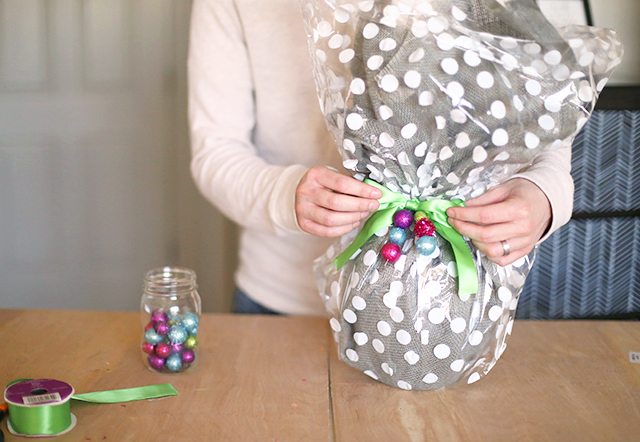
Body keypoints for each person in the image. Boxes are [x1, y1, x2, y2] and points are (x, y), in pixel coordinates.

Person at [188, 0, 574, 315]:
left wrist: (543, 195)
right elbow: (216, 151)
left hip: (464, 300)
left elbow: (550, 123)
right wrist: (286, 194)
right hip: (282, 302)